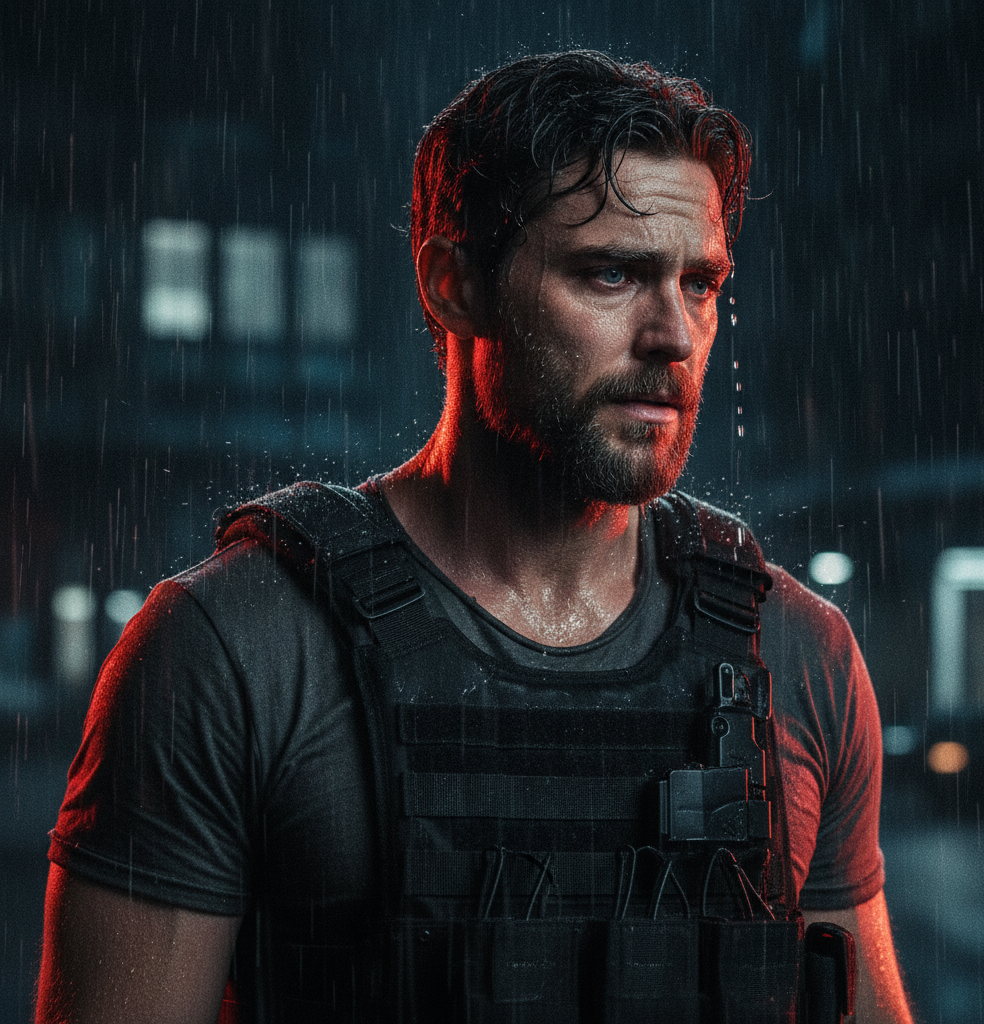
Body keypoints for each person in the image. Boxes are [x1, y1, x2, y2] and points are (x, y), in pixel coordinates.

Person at [36, 50, 915, 1023]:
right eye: (611, 273)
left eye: (699, 284)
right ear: (454, 285)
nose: (673, 334)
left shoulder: (798, 654)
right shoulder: (235, 651)